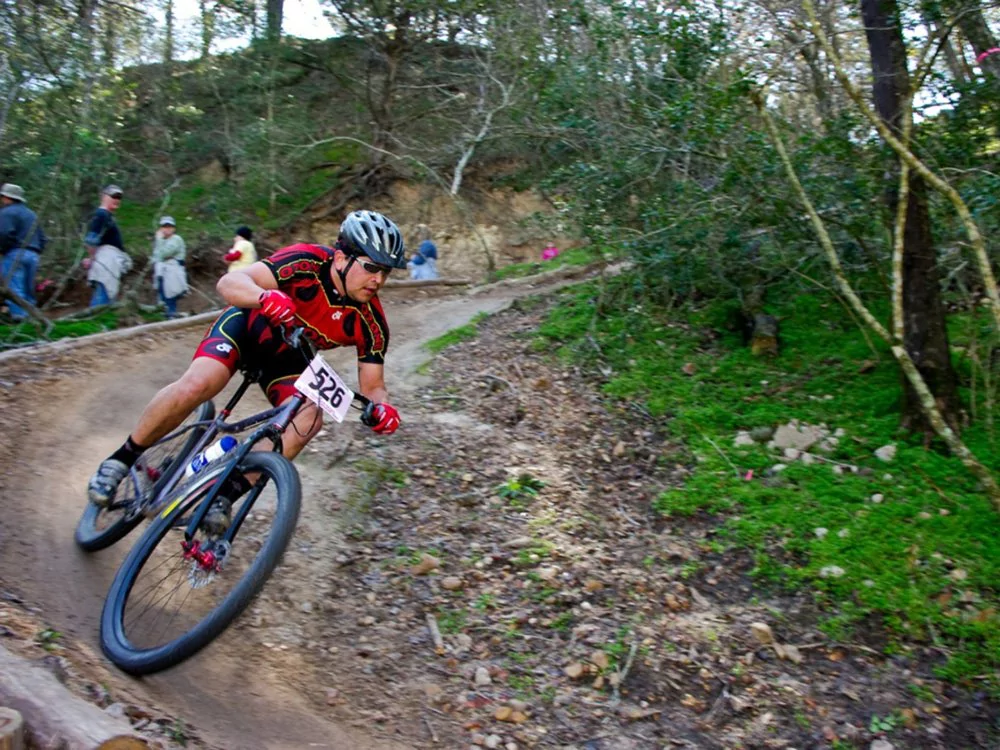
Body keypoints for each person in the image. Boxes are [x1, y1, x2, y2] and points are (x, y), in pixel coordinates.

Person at [87, 210, 406, 531]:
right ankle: (122, 459)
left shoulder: (372, 321)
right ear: (340, 259)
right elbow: (230, 282)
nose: (378, 280)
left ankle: (223, 496)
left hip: (288, 361)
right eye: (371, 268)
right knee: (200, 384)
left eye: (385, 273)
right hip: (246, 329)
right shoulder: (306, 262)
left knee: (309, 419)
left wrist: (382, 408)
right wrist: (263, 296)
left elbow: (373, 385)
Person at [0, 183, 46, 321]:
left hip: (15, 254)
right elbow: (42, 238)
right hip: (33, 255)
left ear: (7, 197)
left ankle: (19, 321)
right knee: (28, 291)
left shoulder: (6, 213)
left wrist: (2, 249)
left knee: (15, 290)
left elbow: (3, 233)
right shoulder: (31, 214)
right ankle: (33, 320)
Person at [85, 184, 132, 307]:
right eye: (114, 196)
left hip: (110, 260)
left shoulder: (107, 216)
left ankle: (98, 322)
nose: (117, 200)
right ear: (103, 196)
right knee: (103, 294)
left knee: (106, 293)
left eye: (119, 197)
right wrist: (91, 258)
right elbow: (91, 239)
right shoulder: (101, 214)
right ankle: (96, 324)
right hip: (106, 260)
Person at [151, 216, 187, 319]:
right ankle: (165, 316)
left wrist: (159, 240)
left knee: (171, 293)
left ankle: (171, 315)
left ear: (173, 228)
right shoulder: (161, 240)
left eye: (169, 226)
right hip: (162, 270)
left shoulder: (176, 239)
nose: (167, 229)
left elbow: (164, 253)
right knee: (162, 294)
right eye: (164, 226)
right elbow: (155, 256)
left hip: (173, 270)